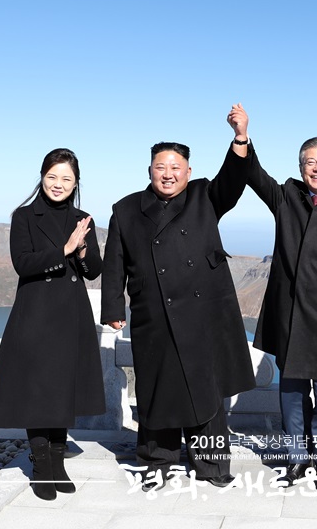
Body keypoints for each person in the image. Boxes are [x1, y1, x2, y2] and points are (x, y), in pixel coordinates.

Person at [101, 119, 256, 492]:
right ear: (149, 170)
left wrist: (240, 139)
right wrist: (113, 309)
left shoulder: (206, 195)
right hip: (153, 312)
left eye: (175, 168)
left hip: (205, 315)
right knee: (157, 389)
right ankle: (157, 462)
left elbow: (234, 178)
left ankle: (213, 467)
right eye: (161, 167)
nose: (168, 175)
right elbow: (114, 262)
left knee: (207, 388)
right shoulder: (126, 209)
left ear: (189, 171)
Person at [230, 104, 317, 495]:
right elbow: (255, 176)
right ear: (301, 166)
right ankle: (296, 459)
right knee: (291, 395)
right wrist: (242, 136)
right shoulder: (287, 196)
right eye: (310, 162)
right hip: (290, 317)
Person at [0, 148, 105, 501]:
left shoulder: (84, 218)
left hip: (70, 313)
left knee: (61, 390)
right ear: (42, 176)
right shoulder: (24, 217)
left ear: (75, 183)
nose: (58, 184)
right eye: (52, 176)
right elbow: (23, 263)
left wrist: (81, 251)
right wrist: (65, 249)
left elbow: (94, 270)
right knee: (38, 392)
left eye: (66, 179)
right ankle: (40, 467)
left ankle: (58, 463)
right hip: (35, 314)